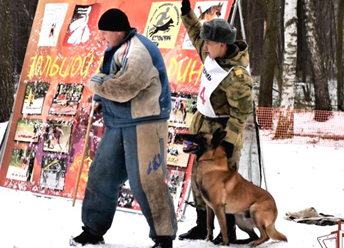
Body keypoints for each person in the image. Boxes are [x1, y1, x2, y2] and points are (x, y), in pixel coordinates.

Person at [70, 8, 178, 248]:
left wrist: (96, 84)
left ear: (119, 31)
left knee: (147, 181)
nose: (102, 38)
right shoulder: (120, 48)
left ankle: (163, 237)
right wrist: (101, 100)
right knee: (102, 176)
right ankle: (92, 230)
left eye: (105, 33)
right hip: (119, 121)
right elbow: (112, 82)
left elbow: (122, 89)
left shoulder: (138, 52)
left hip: (145, 122)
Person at [178, 0, 254, 245]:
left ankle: (227, 231)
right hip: (203, 128)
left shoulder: (237, 77)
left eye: (210, 42)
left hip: (222, 136)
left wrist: (229, 144)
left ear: (223, 45)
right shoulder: (211, 52)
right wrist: (187, 14)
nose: (205, 46)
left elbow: (241, 114)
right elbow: (195, 35)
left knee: (223, 184)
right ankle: (203, 225)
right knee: (200, 180)